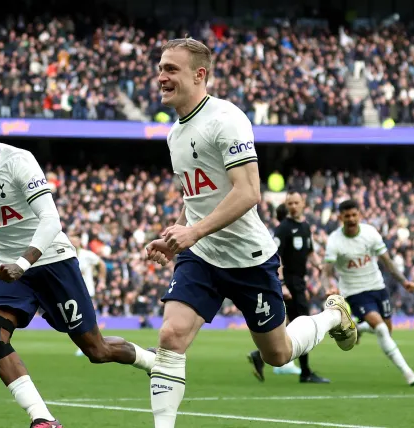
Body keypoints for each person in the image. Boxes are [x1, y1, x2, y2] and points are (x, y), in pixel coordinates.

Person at [144, 38, 357, 428]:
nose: (161, 76)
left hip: (249, 259)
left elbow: (249, 192)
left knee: (277, 353)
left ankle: (332, 316)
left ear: (199, 74)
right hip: (203, 255)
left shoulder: (227, 120)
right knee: (171, 335)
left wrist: (193, 232)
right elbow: (198, 199)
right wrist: (177, 235)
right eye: (160, 68)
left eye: (171, 69)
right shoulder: (175, 133)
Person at [0, 100, 156, 428]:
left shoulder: (20, 162)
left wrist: (23, 261)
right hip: (10, 270)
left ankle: (150, 360)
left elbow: (51, 219)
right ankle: (43, 418)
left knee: (96, 350)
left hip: (52, 260)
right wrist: (12, 262)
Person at [322, 200, 414, 386]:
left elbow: (387, 261)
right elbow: (326, 271)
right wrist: (328, 286)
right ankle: (408, 373)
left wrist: (404, 281)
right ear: (340, 217)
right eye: (347, 216)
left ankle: (358, 329)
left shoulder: (370, 233)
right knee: (381, 329)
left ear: (359, 215)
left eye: (354, 215)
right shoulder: (334, 240)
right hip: (355, 292)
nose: (351, 219)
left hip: (377, 286)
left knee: (387, 331)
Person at [247, 192, 330, 383]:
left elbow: (310, 252)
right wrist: (282, 284)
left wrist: (319, 265)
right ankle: (306, 372)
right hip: (289, 282)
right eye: (290, 203)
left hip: (299, 280)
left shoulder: (306, 227)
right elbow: (277, 257)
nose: (293, 206)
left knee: (295, 324)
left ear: (303, 205)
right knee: (303, 323)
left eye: (296, 202)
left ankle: (260, 355)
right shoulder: (283, 228)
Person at [69, 235, 107, 357]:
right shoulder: (66, 254)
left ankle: (92, 344)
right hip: (73, 291)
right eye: (71, 240)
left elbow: (102, 264)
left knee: (87, 318)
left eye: (75, 240)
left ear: (80, 242)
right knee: (77, 320)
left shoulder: (87, 254)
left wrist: (102, 280)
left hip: (87, 291)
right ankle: (87, 344)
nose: (73, 242)